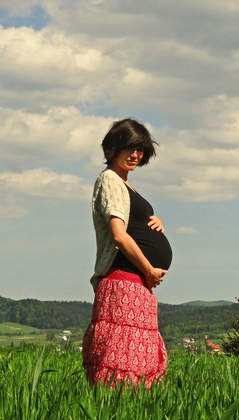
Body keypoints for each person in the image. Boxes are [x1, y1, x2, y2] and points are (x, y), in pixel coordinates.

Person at [82, 118, 172, 388]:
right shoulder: (110, 179)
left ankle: (133, 407)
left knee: (136, 360)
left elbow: (132, 223)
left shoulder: (123, 183)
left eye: (140, 149)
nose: (135, 154)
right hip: (125, 282)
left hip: (137, 284)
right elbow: (119, 235)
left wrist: (155, 224)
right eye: (129, 148)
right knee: (122, 360)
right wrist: (148, 269)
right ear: (111, 149)